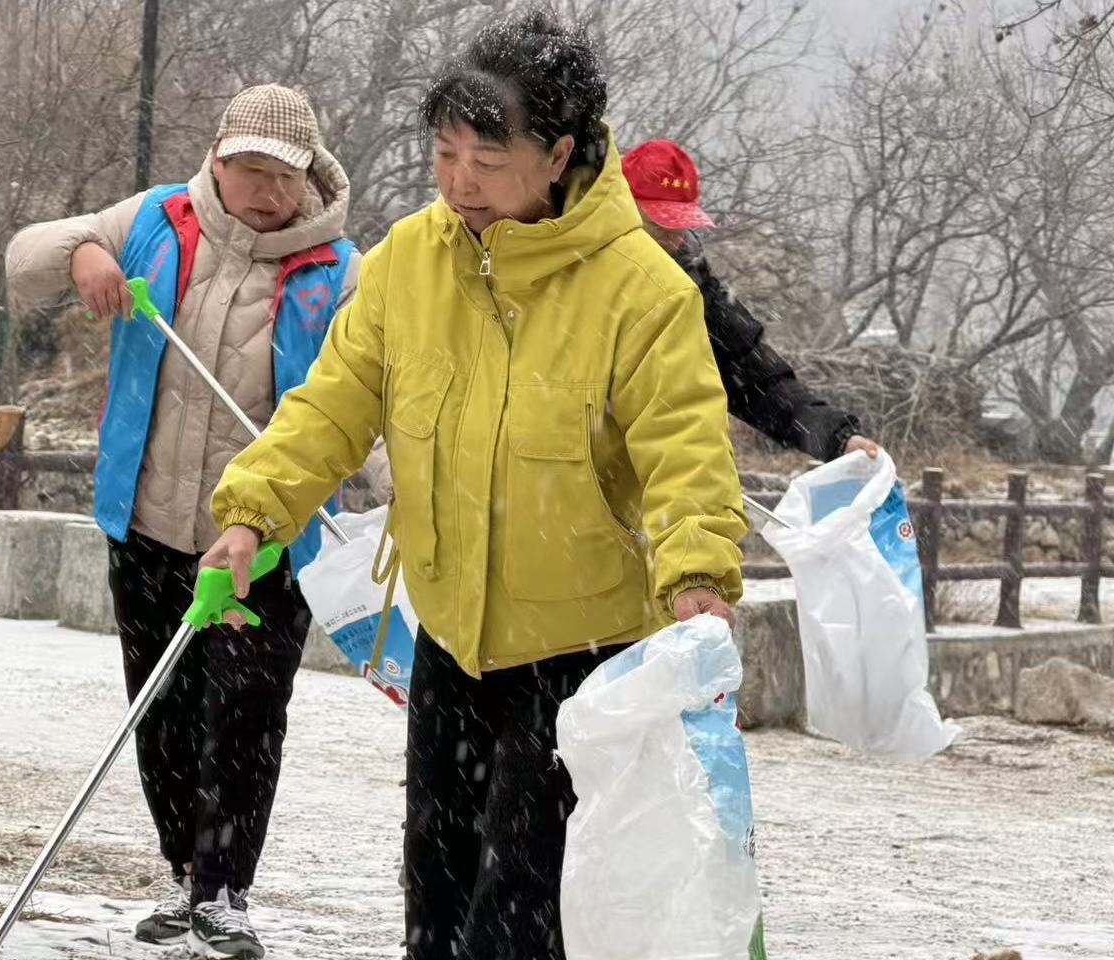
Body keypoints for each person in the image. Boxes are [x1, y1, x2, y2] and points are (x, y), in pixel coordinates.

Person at [199, 10, 746, 959]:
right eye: (445, 154)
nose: (459, 182)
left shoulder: (640, 290)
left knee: (519, 912)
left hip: (579, 652)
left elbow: (684, 448)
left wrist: (698, 572)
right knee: (438, 898)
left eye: (486, 162)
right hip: (449, 640)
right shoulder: (411, 261)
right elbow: (331, 406)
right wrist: (254, 511)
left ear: (559, 154)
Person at [5, 84, 373, 959]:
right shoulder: (157, 221)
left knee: (244, 711)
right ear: (216, 158)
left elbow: (369, 398)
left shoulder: (345, 270)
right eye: (245, 168)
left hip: (270, 538)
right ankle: (183, 875)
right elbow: (26, 260)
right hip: (145, 519)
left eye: (278, 176)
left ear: (309, 177)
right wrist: (88, 249)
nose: (260, 190)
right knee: (160, 711)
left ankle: (225, 891)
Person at [622, 138, 879, 462]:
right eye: (661, 225)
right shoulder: (575, 272)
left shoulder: (693, 285)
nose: (675, 241)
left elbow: (752, 375)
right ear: (621, 208)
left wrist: (836, 437)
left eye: (681, 225)